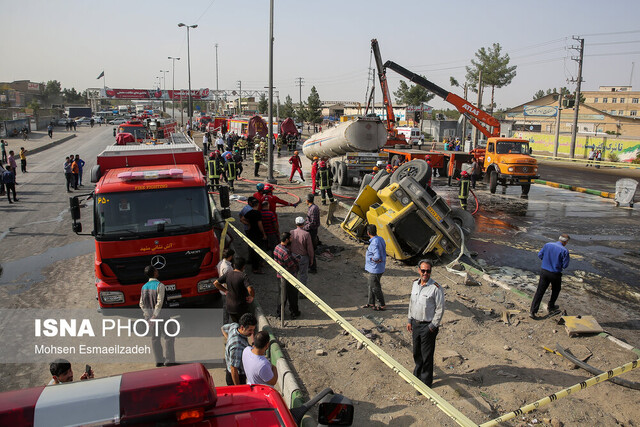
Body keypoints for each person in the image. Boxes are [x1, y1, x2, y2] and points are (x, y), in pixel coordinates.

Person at [407, 260, 445, 388]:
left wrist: (432, 326)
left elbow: (440, 309)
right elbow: (411, 303)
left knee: (426, 356)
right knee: (416, 352)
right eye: (423, 271)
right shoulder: (415, 284)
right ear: (419, 270)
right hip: (415, 324)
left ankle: (425, 383)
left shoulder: (436, 288)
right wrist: (409, 320)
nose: (425, 273)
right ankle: (417, 375)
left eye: (428, 271)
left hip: (428, 326)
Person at [139, 265, 176, 367]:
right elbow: (159, 302)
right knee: (169, 336)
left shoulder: (144, 287)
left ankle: (159, 360)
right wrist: (155, 315)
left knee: (155, 338)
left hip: (150, 317)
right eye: (156, 270)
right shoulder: (160, 285)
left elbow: (141, 303)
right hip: (162, 315)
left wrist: (148, 315)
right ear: (154, 273)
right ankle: (169, 360)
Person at [529, 234, 571, 319]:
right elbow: (565, 265)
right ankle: (551, 306)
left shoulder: (548, 245)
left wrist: (546, 261)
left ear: (559, 239)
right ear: (566, 242)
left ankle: (533, 311)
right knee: (556, 290)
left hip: (544, 271)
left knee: (540, 291)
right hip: (555, 273)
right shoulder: (564, 251)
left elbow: (540, 255)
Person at [214, 257, 255, 323]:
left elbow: (216, 283)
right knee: (243, 324)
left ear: (234, 265)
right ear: (243, 266)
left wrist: (225, 290)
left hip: (230, 306)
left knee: (235, 323)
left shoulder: (228, 274)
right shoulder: (243, 276)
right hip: (240, 307)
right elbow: (250, 289)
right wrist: (252, 296)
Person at [221, 313, 257, 386]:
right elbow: (234, 369)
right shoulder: (237, 347)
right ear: (242, 327)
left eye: (253, 330)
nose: (252, 333)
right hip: (236, 377)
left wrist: (229, 340)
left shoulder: (234, 326)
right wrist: (238, 387)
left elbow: (223, 328)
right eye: (250, 330)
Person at [274, 231, 300, 319]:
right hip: (289, 277)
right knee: (292, 295)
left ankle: (279, 314)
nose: (292, 239)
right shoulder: (285, 252)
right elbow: (291, 265)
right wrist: (297, 260)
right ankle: (294, 312)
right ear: (286, 240)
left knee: (281, 295)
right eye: (290, 238)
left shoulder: (277, 247)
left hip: (279, 275)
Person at [362, 224, 386, 311]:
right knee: (371, 285)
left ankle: (382, 304)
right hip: (379, 268)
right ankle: (371, 302)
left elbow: (377, 256)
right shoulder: (380, 239)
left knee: (375, 287)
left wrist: (374, 259)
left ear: (368, 233)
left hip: (375, 269)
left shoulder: (374, 243)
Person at [239, 198, 266, 274]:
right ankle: (256, 268)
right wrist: (263, 233)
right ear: (257, 205)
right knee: (258, 250)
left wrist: (248, 224)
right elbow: (260, 225)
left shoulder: (249, 212)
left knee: (252, 248)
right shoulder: (258, 213)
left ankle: (254, 263)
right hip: (257, 234)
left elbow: (242, 219)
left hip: (250, 232)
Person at [290, 216, 314, 286]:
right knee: (303, 275)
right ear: (303, 224)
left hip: (293, 256)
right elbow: (310, 248)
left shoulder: (291, 232)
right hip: (303, 258)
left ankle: (293, 291)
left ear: (296, 224)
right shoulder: (306, 234)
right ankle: (302, 293)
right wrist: (311, 258)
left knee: (293, 274)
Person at [217, 248, 235, 324]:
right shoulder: (228, 268)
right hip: (227, 291)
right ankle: (226, 323)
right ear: (230, 256)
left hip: (223, 290)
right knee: (227, 308)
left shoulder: (220, 263)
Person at [303, 193, 320, 274]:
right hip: (311, 231)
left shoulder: (313, 209)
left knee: (311, 250)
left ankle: (313, 268)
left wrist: (304, 228)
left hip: (311, 232)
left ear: (307, 200)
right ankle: (310, 265)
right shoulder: (312, 208)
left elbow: (312, 223)